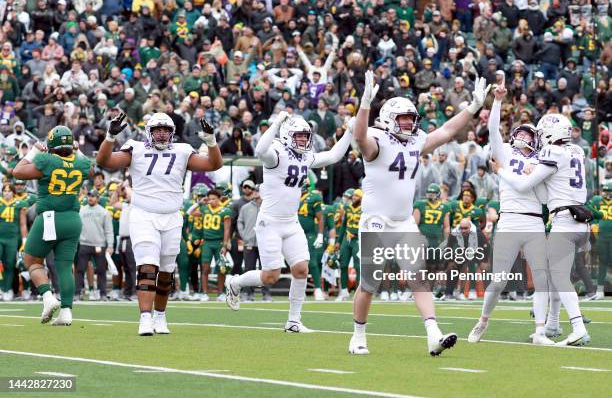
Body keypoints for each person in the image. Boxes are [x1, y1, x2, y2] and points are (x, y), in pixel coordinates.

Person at [349, 70, 490, 356]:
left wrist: (473, 108)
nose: (410, 124)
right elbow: (360, 137)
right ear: (389, 119)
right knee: (369, 284)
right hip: (376, 221)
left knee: (418, 278)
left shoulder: (415, 141)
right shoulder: (377, 140)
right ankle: (358, 335)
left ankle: (433, 334)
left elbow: (448, 131)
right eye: (404, 119)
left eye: (412, 119)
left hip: (403, 222)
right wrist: (364, 104)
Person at [224, 110, 354, 333]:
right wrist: (275, 124)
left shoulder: (304, 156)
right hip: (270, 223)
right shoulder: (276, 153)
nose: (304, 140)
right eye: (299, 136)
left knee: (301, 269)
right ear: (286, 135)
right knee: (270, 276)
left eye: (306, 136)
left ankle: (294, 321)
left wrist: (350, 131)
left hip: (291, 222)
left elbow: (332, 156)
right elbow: (260, 150)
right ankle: (235, 282)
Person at [96, 111, 222, 336]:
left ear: (172, 133)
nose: (162, 135)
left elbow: (213, 164)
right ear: (149, 132)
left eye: (166, 130)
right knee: (147, 266)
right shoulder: (136, 148)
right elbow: (104, 162)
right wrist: (110, 137)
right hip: (144, 214)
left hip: (172, 216)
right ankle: (145, 318)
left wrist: (211, 141)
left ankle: (160, 316)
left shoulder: (182, 151)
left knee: (166, 271)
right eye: (158, 130)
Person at [492, 113, 592, 346]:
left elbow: (522, 185)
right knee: (554, 272)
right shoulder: (576, 151)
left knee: (556, 275)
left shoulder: (552, 152)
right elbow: (549, 191)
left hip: (565, 220)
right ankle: (553, 323)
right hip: (580, 219)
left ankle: (577, 326)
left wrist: (500, 171)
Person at [468, 82, 552, 344]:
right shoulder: (504, 151)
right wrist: (497, 101)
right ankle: (482, 321)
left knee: (541, 277)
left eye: (530, 135)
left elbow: (546, 195)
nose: (525, 138)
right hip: (510, 219)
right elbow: (493, 129)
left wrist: (536, 175)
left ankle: (540, 330)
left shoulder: (541, 161)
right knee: (499, 281)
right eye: (522, 133)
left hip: (534, 221)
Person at [12, 126, 93, 325]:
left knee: (31, 260)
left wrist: (33, 151)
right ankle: (66, 313)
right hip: (73, 219)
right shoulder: (81, 162)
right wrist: (77, 150)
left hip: (50, 217)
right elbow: (89, 170)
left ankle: (48, 297)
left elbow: (18, 172)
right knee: (65, 266)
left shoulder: (47, 159)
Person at [75, 189, 114, 301]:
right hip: (84, 243)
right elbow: (78, 228)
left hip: (99, 245)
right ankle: (77, 293)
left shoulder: (104, 212)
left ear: (97, 198)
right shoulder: (82, 211)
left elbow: (109, 230)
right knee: (80, 270)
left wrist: (110, 245)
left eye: (93, 196)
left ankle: (102, 294)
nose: (90, 198)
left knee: (101, 270)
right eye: (89, 196)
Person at [0, 183, 28, 301]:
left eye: (9, 191)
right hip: (0, 237)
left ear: (13, 192)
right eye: (5, 191)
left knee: (10, 264)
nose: (7, 193)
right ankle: (2, 288)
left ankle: (7, 289)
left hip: (12, 239)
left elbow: (22, 224)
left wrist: (24, 240)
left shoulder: (19, 204)